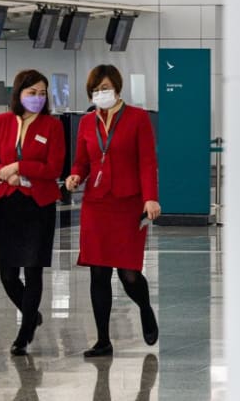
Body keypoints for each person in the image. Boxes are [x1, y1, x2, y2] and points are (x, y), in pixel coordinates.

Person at [65, 64, 161, 357]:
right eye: (95, 90)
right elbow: (82, 161)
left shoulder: (137, 118)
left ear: (117, 88)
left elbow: (146, 161)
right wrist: (75, 176)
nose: (100, 93)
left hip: (128, 203)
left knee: (129, 273)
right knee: (98, 273)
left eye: (105, 88)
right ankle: (103, 339)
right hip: (96, 204)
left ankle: (144, 308)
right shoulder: (86, 123)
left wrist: (151, 198)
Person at [0, 69, 64, 356]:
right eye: (32, 93)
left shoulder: (52, 126)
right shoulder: (2, 122)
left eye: (42, 94)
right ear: (19, 94)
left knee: (33, 270)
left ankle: (24, 332)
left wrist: (19, 166)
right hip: (7, 203)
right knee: (8, 274)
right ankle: (32, 314)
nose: (38, 98)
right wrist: (3, 174)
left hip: (38, 205)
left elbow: (54, 168)